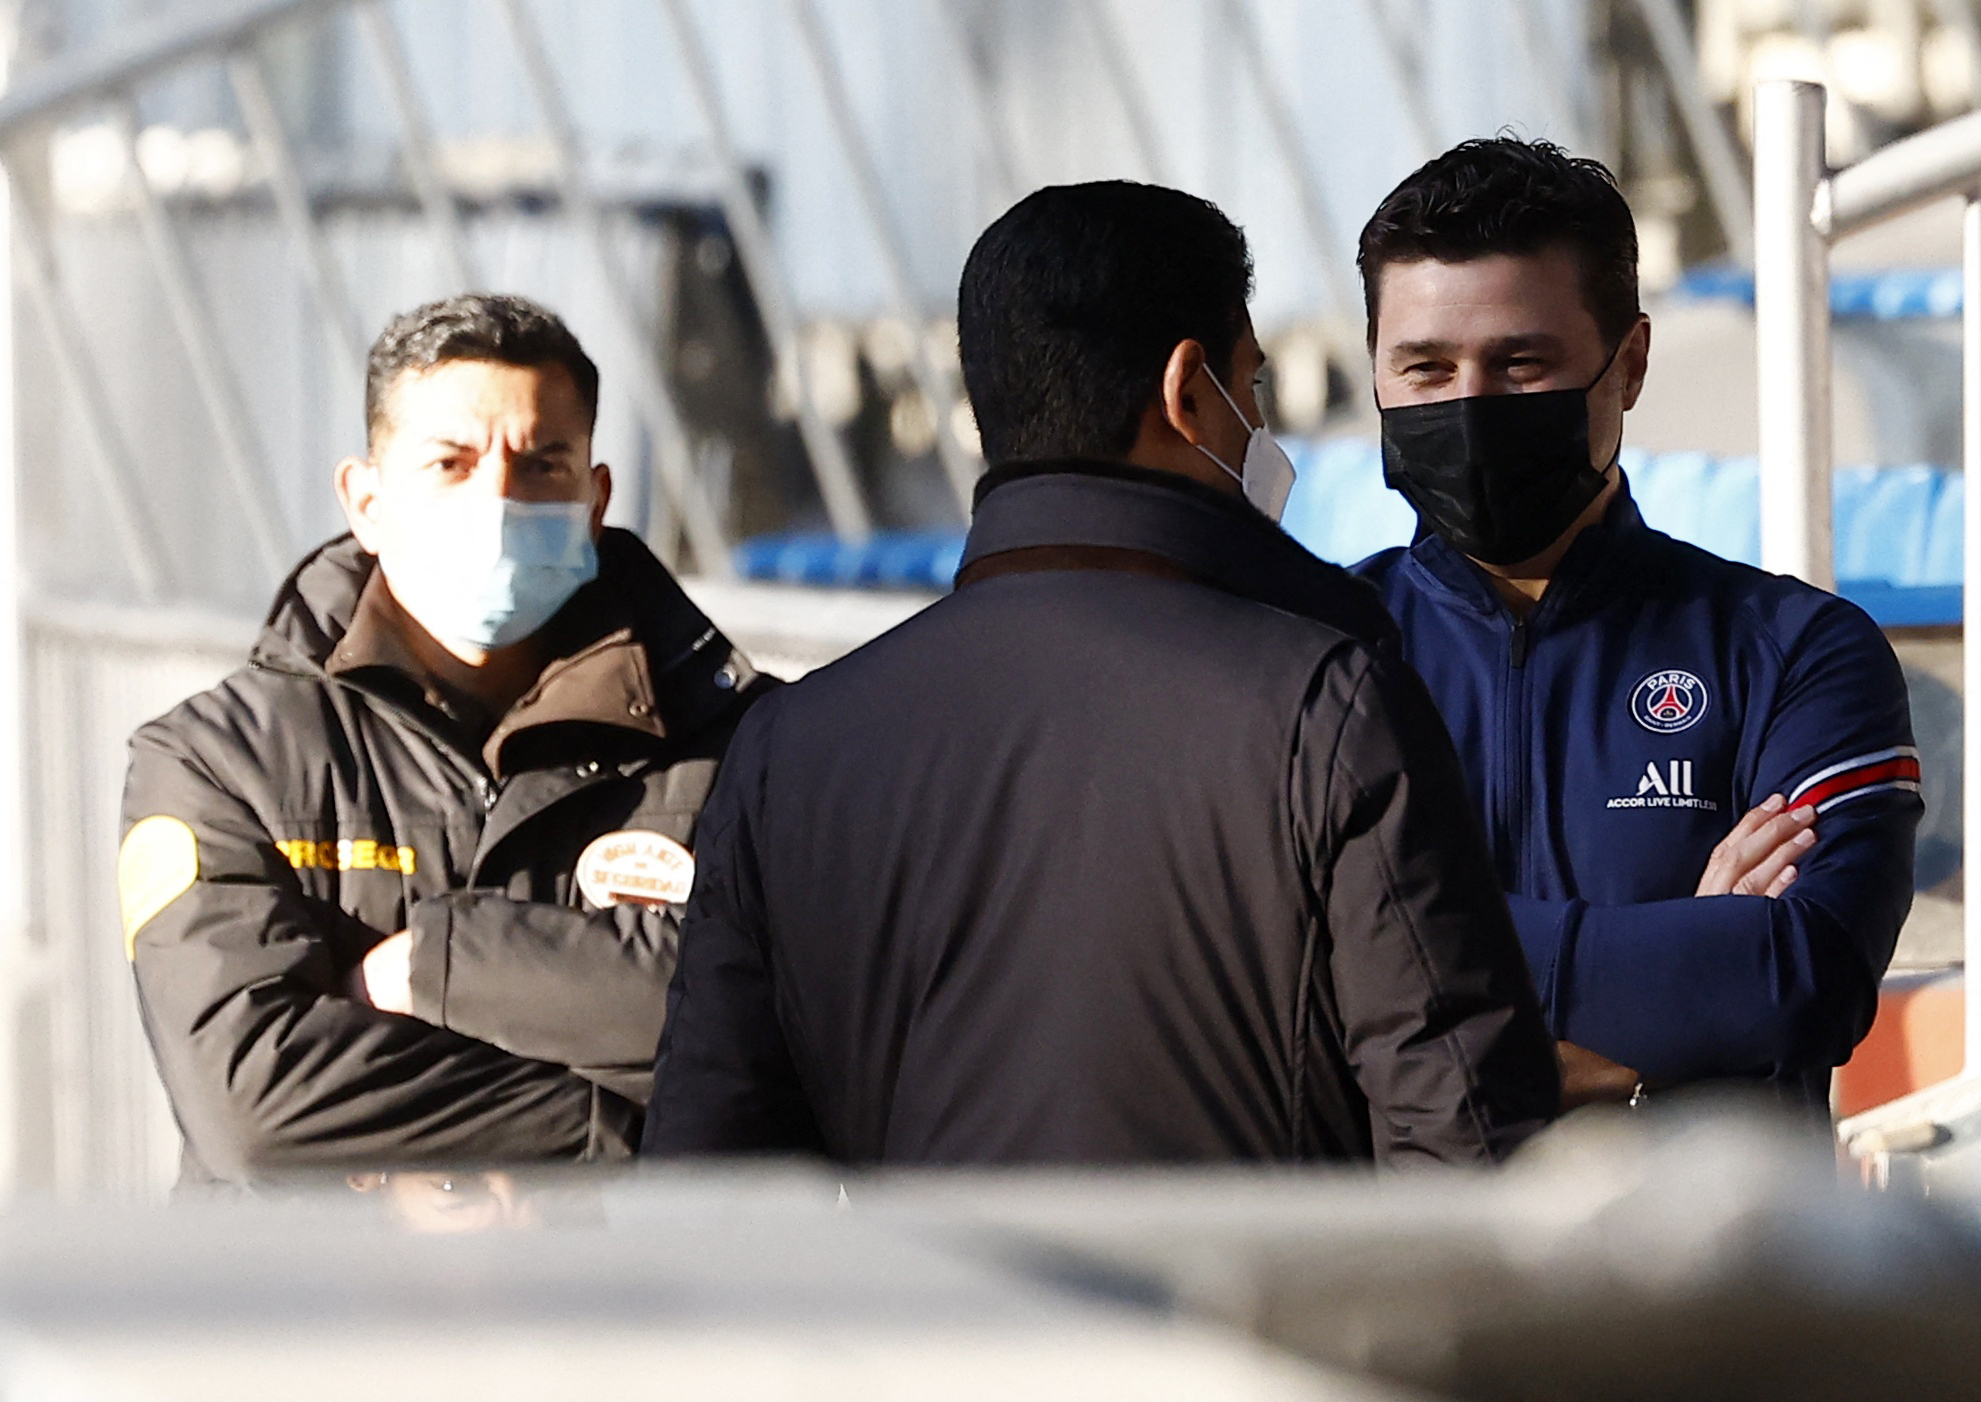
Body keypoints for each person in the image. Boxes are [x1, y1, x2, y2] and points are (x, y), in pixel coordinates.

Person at [642, 181, 1559, 1166]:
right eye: (1247, 391)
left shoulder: (790, 748)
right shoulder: (1326, 704)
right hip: (1244, 1319)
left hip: (925, 1318)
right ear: (1185, 390)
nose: (1256, 427)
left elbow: (710, 1175)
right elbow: (1464, 1143)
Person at [119, 294, 768, 1186]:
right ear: (367, 500)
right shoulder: (220, 763)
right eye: (451, 464)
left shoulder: (741, 747)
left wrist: (435, 965)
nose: (498, 499)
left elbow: (776, 1024)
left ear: (595, 497)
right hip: (315, 1317)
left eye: (542, 464)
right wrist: (620, 1129)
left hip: (617, 1312)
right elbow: (257, 1109)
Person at [1354, 139, 1922, 1117]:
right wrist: (1680, 980)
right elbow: (1269, 992)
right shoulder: (1310, 654)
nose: (1466, 405)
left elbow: (1806, 978)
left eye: (1518, 363)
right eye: (1423, 368)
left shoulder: (1795, 653)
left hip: (1714, 1266)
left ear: (1629, 363)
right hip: (1401, 1267)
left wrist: (1399, 950)